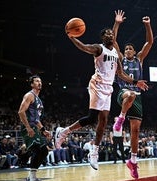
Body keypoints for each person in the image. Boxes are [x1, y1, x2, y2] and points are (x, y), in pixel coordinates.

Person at [55, 21, 149, 170]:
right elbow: (83, 47)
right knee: (93, 118)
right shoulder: (99, 48)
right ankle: (64, 131)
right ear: (103, 38)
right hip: (97, 85)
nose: (110, 35)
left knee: (104, 121)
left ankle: (94, 152)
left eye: (111, 34)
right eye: (107, 34)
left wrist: (136, 81)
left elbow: (121, 74)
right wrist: (72, 37)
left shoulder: (115, 55)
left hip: (108, 88)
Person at [112, 10, 153, 179]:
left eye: (130, 48)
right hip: (123, 92)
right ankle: (120, 119)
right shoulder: (120, 58)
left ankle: (133, 162)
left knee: (135, 131)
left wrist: (148, 25)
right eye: (126, 48)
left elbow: (149, 42)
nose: (127, 50)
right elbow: (113, 41)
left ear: (134, 52)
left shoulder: (139, 59)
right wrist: (117, 23)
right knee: (130, 94)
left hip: (137, 96)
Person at [18, 75, 51, 181]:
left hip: (35, 128)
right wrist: (27, 127)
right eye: (37, 81)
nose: (39, 83)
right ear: (32, 84)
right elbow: (21, 112)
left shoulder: (39, 100)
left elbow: (37, 119)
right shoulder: (29, 95)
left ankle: (31, 178)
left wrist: (43, 130)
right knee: (38, 150)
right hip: (28, 127)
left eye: (40, 81)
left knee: (44, 151)